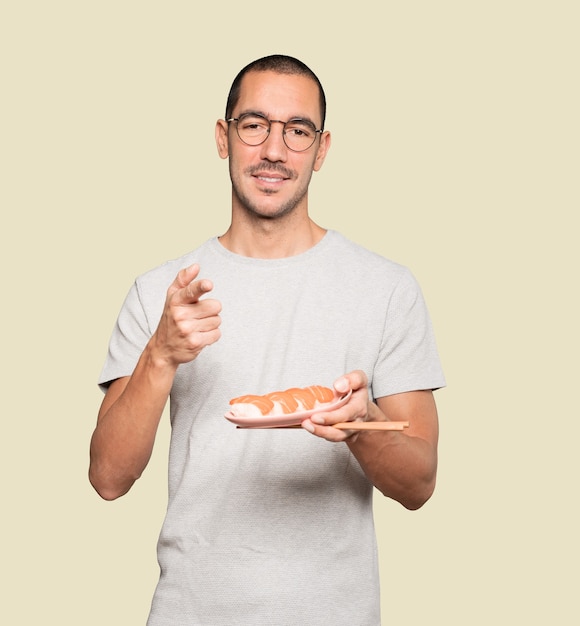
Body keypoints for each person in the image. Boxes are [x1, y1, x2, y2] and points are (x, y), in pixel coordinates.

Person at [90, 54, 445, 626]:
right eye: (253, 125)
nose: (274, 150)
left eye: (297, 131)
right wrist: (161, 354)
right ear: (222, 137)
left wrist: (359, 426)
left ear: (322, 149)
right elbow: (108, 478)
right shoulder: (161, 292)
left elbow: (419, 483)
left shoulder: (386, 289)